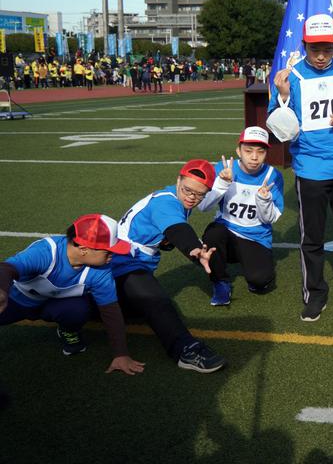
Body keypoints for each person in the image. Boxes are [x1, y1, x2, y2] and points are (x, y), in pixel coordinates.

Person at [270, 14, 333, 322]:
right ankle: (315, 293)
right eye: (315, 48)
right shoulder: (291, 77)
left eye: (327, 48)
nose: (320, 55)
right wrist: (284, 96)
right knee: (312, 237)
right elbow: (279, 125)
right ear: (304, 46)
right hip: (310, 168)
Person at [110, 159, 226, 372]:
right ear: (178, 180)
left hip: (129, 263)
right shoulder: (166, 201)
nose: (192, 197)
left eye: (200, 194)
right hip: (123, 263)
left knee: (127, 308)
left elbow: (166, 233)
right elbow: (178, 229)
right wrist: (195, 249)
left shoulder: (178, 196)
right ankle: (185, 350)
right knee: (156, 301)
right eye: (188, 190)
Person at [0, 214, 145, 375]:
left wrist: (121, 354)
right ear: (84, 249)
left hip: (54, 305)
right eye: (108, 251)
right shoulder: (47, 252)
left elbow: (110, 310)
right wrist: (2, 291)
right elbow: (7, 268)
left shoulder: (101, 270)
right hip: (14, 301)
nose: (113, 255)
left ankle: (68, 330)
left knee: (77, 309)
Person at [198, 126, 285, 305]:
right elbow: (204, 207)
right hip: (226, 232)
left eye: (260, 152)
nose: (254, 157)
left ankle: (252, 267)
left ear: (266, 153)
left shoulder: (273, 175)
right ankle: (220, 282)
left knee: (260, 282)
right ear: (239, 150)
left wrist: (263, 199)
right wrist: (222, 183)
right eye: (248, 151)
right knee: (213, 234)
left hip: (256, 237)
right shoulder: (223, 169)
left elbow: (269, 219)